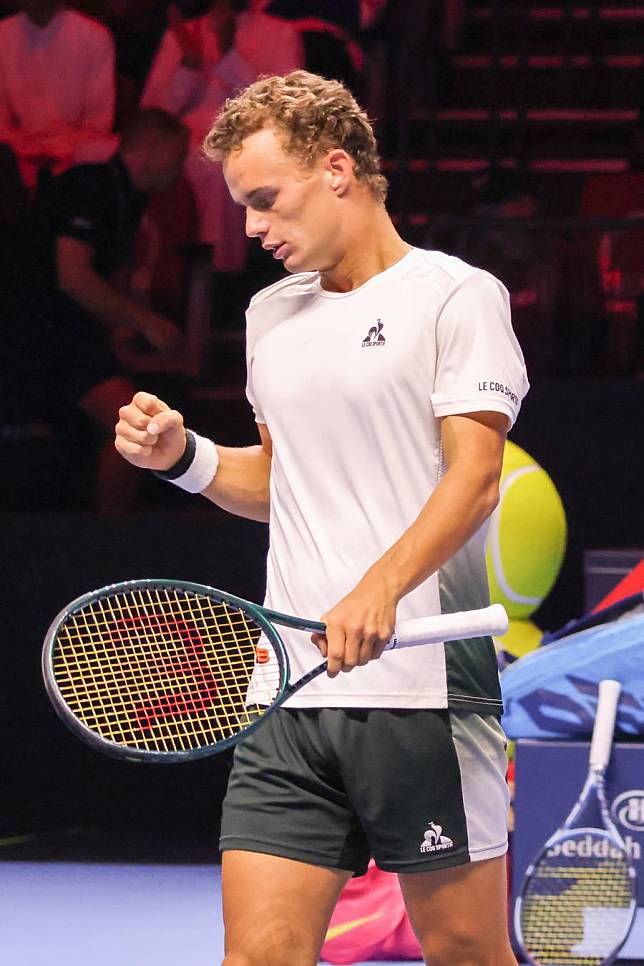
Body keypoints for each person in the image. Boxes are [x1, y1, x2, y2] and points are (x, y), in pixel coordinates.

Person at [114, 71, 528, 964]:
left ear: (338, 169)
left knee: (466, 954)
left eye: (264, 200)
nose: (252, 228)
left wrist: (377, 590)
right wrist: (184, 459)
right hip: (290, 694)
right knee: (258, 954)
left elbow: (476, 479)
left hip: (421, 692)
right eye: (242, 206)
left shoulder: (457, 298)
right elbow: (282, 483)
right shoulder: (271, 313)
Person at [34, 107, 189, 512]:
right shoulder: (91, 186)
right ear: (153, 148)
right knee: (138, 428)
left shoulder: (128, 199)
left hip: (71, 335)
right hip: (42, 332)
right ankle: (109, 545)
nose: (180, 170)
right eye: (178, 156)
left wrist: (124, 328)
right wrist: (149, 324)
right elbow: (72, 276)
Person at [141, 0, 303, 271]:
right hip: (182, 141)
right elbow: (152, 116)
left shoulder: (280, 34)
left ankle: (216, 276)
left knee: (217, 166)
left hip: (245, 141)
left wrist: (230, 54)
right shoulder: (183, 34)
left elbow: (281, 111)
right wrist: (188, 67)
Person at [0, 0, 117, 190]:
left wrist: (61, 151)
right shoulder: (3, 34)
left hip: (73, 153)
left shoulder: (94, 36)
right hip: (17, 152)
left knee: (104, 150)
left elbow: (98, 122)